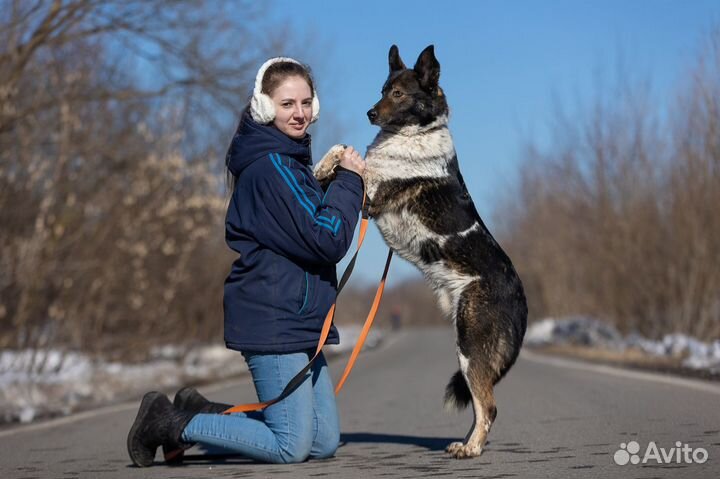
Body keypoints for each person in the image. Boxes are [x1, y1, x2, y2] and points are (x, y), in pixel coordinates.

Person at [127, 56, 366, 467]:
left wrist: (337, 186)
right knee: (290, 445)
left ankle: (200, 410)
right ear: (263, 106)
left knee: (322, 442)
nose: (300, 113)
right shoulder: (273, 166)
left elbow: (306, 223)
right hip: (274, 319)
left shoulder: (289, 161)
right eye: (287, 103)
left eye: (306, 103)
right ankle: (167, 422)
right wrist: (349, 180)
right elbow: (327, 238)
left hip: (300, 319)